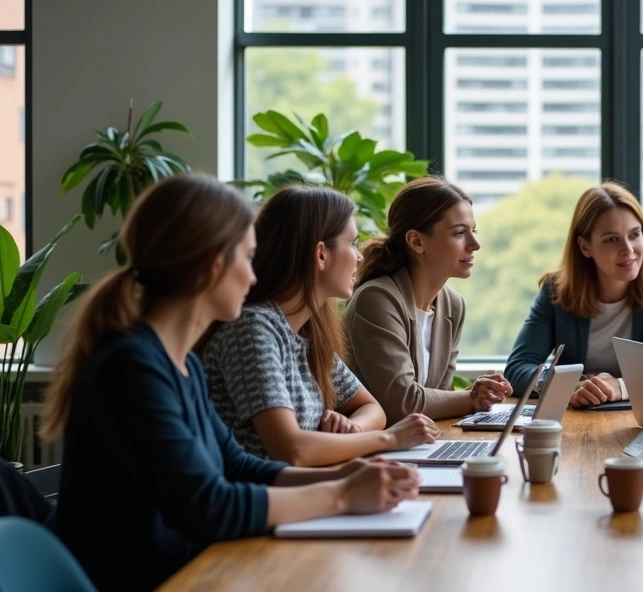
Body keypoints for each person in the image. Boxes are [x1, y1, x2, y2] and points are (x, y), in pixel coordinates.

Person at [41, 174, 420, 591]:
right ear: (212, 265)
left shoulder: (178, 361)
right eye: (246, 259)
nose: (254, 278)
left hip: (188, 568)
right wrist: (343, 495)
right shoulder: (131, 368)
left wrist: (348, 476)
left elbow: (238, 466)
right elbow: (211, 506)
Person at [202, 186, 438, 467]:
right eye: (352, 244)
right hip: (265, 503)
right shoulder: (253, 330)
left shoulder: (308, 331)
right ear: (321, 255)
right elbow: (292, 450)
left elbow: (371, 408)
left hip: (303, 492)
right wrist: (391, 439)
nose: (360, 256)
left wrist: (351, 432)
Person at [505, 182, 643, 407]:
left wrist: (621, 386)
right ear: (585, 247)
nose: (629, 249)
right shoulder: (555, 291)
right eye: (611, 239)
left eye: (635, 234)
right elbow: (517, 369)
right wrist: (566, 387)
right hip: (579, 419)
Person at [345, 176, 511, 422]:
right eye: (459, 233)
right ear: (416, 241)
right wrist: (471, 397)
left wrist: (477, 395)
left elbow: (438, 396)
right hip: (372, 450)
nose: (475, 244)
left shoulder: (453, 305)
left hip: (418, 443)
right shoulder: (376, 300)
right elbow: (401, 404)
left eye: (473, 231)